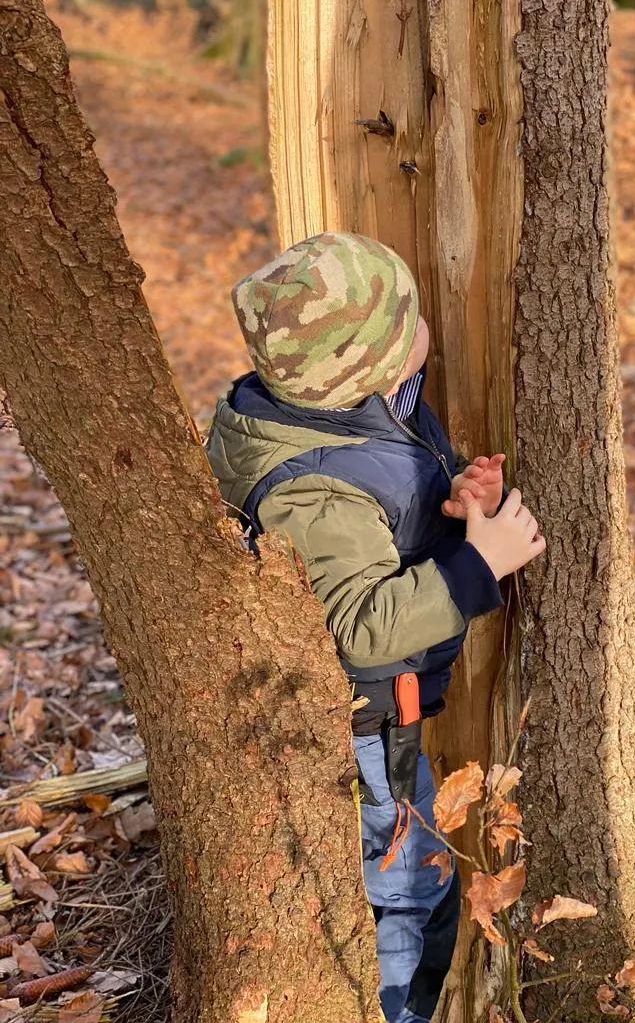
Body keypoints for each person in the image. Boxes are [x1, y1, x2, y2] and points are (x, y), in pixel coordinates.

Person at [205, 232, 545, 1023]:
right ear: (378, 362)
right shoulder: (313, 486)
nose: (426, 327)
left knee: (415, 886)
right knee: (403, 896)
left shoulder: (328, 409)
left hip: (381, 718)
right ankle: (395, 1011)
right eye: (412, 319)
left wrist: (452, 496)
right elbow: (362, 622)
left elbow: (386, 491)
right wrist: (479, 564)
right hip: (361, 730)